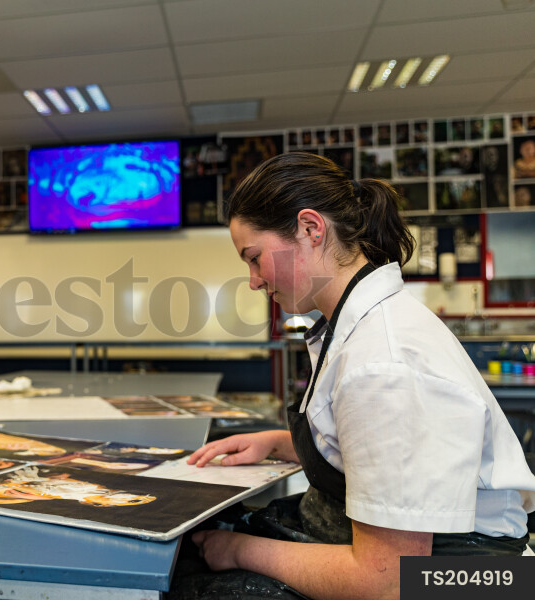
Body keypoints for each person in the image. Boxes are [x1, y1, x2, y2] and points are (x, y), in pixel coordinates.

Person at [172, 152, 535, 600]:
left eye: (254, 258)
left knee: (192, 576)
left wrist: (238, 550)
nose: (252, 280)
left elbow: (385, 582)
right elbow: (379, 451)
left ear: (310, 229)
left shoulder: (383, 363)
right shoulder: (360, 328)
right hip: (409, 559)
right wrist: (277, 443)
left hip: (465, 578)